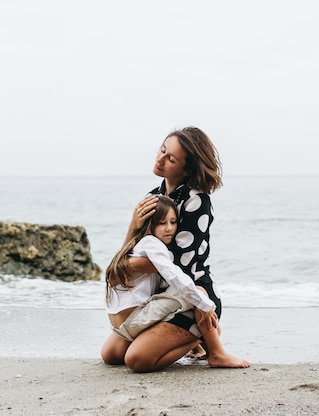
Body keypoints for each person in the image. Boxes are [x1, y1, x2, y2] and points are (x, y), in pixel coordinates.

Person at [106, 126, 249, 372]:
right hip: (157, 299)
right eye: (162, 150)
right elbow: (134, 248)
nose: (160, 159)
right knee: (112, 355)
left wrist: (123, 266)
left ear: (187, 169)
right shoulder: (154, 196)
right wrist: (132, 225)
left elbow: (177, 264)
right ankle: (192, 340)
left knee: (136, 360)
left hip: (190, 296)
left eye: (170, 159)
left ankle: (203, 338)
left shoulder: (197, 200)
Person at [102, 196, 216, 345]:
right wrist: (205, 305)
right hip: (135, 320)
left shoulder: (135, 246)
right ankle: (203, 341)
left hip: (118, 327)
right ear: (150, 224)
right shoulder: (151, 242)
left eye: (173, 222)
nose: (169, 228)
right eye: (162, 223)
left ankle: (194, 346)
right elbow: (172, 274)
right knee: (196, 290)